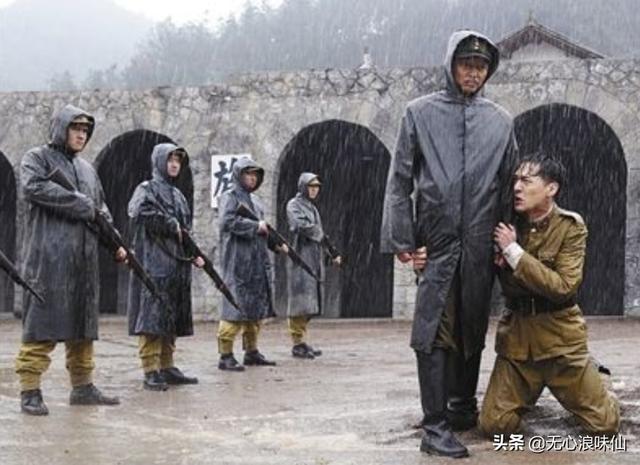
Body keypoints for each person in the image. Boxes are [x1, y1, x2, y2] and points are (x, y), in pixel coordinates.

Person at [381, 30, 518, 457]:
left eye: (481, 66)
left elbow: (507, 184)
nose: (473, 73)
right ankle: (435, 425)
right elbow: (400, 179)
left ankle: (461, 406)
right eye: (466, 64)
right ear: (450, 66)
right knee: (434, 330)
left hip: (480, 241)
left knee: (471, 324)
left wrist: (505, 240)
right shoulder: (419, 113)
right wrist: (403, 239)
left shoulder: (501, 121)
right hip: (436, 244)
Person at [478, 154, 620, 436]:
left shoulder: (570, 226)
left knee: (604, 426)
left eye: (526, 181)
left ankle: (598, 380)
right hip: (518, 341)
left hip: (561, 342)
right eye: (515, 180)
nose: (517, 187)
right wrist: (424, 256)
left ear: (551, 188)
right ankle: (528, 395)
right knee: (495, 425)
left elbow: (563, 286)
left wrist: (513, 252)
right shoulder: (505, 224)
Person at [15, 104, 124, 415]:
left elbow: (100, 210)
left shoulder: (88, 170)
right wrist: (79, 203)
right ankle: (30, 390)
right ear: (60, 128)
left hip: (83, 262)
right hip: (49, 260)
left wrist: (115, 242)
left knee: (82, 329)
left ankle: (83, 387)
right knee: (41, 329)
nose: (81, 135)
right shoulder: (36, 158)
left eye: (85, 130)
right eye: (75, 128)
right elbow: (34, 187)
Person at [127, 143, 204, 391]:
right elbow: (138, 212)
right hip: (154, 263)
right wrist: (169, 224)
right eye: (170, 159)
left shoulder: (178, 195)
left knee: (171, 317)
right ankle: (150, 369)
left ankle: (167, 365)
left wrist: (194, 253)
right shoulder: (146, 189)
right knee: (152, 319)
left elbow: (185, 231)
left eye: (177, 160)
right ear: (159, 161)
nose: (174, 164)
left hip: (176, 266)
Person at [217, 158, 287, 371]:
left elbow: (263, 231)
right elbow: (227, 222)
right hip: (237, 263)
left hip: (257, 263)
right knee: (234, 311)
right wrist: (254, 226)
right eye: (248, 173)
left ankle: (251, 351)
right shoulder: (229, 197)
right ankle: (225, 355)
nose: (252, 178)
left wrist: (275, 245)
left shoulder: (256, 201)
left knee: (254, 312)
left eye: (255, 174)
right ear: (239, 175)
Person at [286, 173, 341, 359]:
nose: (314, 190)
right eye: (311, 186)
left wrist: (331, 252)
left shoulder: (313, 208)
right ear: (303, 187)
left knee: (311, 302)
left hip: (314, 258)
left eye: (316, 187)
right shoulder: (293, 205)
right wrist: (322, 237)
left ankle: (301, 340)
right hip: (300, 257)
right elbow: (300, 226)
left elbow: (318, 232)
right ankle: (297, 343)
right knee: (300, 302)